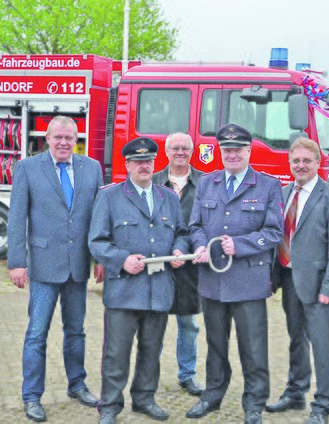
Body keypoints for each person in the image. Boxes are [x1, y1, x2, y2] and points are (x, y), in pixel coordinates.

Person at [7, 115, 104, 423]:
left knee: (76, 331)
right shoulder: (27, 168)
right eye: (58, 137)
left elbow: (100, 218)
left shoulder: (91, 168)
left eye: (70, 137)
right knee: (37, 333)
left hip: (78, 266)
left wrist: (100, 257)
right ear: (46, 138)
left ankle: (77, 384)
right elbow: (16, 218)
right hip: (44, 266)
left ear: (77, 139)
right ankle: (32, 396)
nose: (64, 142)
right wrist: (17, 262)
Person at [186, 124, 284, 424]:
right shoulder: (206, 183)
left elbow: (274, 232)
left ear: (248, 151)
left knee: (253, 347)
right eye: (226, 150)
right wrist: (201, 246)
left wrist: (239, 245)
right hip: (213, 280)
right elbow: (195, 226)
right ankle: (212, 396)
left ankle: (254, 403)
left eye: (237, 149)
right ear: (220, 151)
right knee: (215, 344)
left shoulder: (267, 185)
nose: (231, 155)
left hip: (249, 281)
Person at [89, 137, 190, 424]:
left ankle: (144, 398)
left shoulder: (168, 196)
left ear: (155, 163)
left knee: (151, 349)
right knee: (116, 352)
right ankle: (109, 405)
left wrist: (180, 248)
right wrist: (121, 259)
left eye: (148, 161)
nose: (143, 166)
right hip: (123, 289)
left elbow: (181, 232)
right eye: (137, 161)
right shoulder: (109, 197)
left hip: (158, 289)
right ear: (127, 164)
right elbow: (97, 241)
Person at [265, 138, 329, 424]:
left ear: (318, 163)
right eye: (296, 161)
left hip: (320, 285)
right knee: (296, 339)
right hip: (290, 279)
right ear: (289, 164)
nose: (300, 165)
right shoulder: (283, 192)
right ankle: (295, 392)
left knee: (323, 345)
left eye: (306, 160)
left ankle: (323, 405)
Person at [151, 132, 204, 396]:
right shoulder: (152, 181)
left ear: (192, 151)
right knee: (155, 323)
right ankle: (149, 374)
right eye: (175, 148)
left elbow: (206, 223)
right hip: (158, 265)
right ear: (166, 151)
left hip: (190, 266)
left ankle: (187, 375)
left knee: (189, 324)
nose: (180, 152)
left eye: (185, 148)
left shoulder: (205, 183)